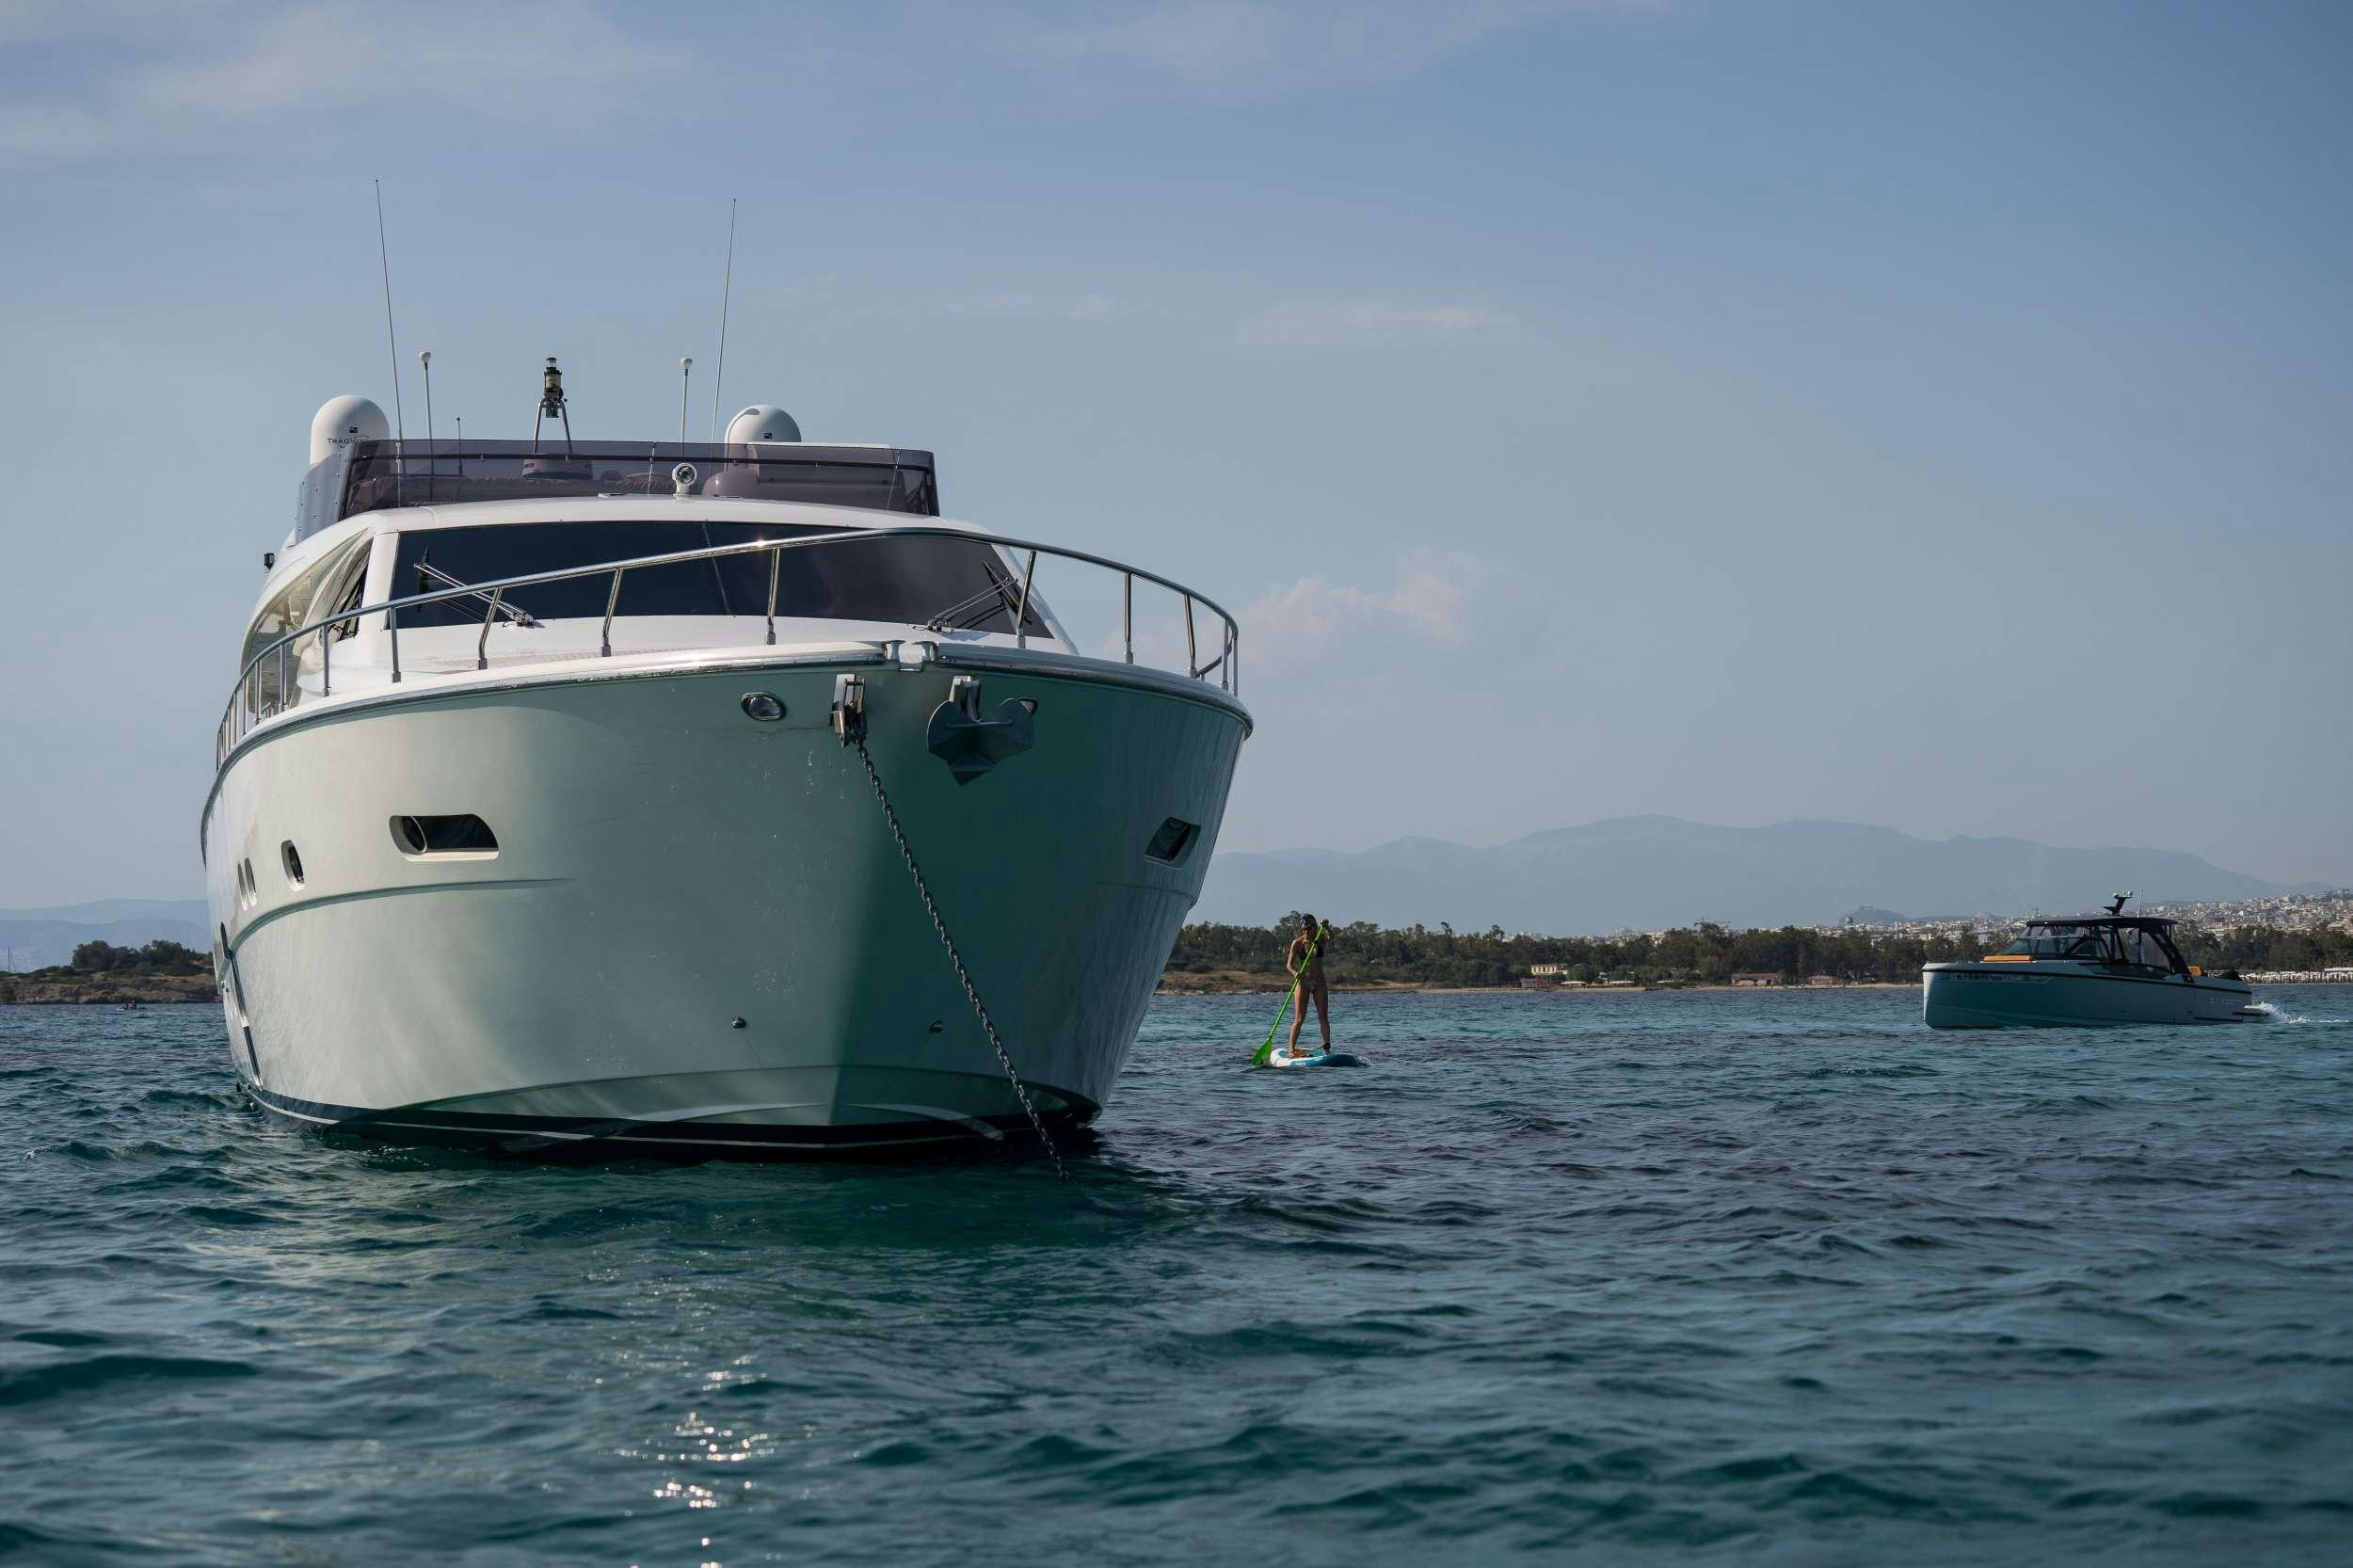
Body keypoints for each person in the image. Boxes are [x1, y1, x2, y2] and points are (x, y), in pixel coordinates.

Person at [1285, 913, 1333, 1056]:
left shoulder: (1320, 939)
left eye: (1309, 928)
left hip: (1319, 982)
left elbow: (1331, 937)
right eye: (1304, 929)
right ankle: (1291, 1050)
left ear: (1315, 928)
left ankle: (1327, 1049)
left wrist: (1326, 927)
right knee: (1299, 1018)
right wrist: (1295, 973)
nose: (1306, 931)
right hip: (1304, 982)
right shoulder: (1297, 943)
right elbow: (1289, 965)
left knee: (1323, 1017)